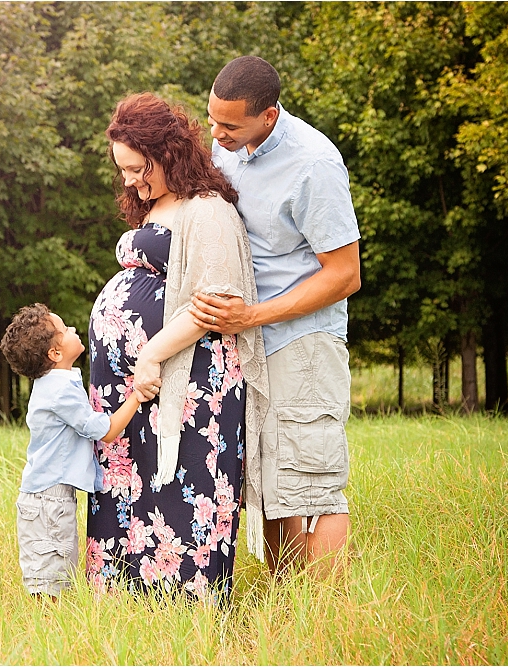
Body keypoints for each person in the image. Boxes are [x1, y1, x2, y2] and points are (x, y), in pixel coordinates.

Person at [85, 93, 269, 601]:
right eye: (121, 170)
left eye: (137, 168)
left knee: (182, 493)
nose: (128, 180)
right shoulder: (154, 206)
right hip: (136, 389)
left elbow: (216, 298)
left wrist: (149, 354)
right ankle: (127, 607)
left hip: (188, 384)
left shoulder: (207, 209)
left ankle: (188, 613)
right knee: (131, 492)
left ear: (167, 153)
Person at [191, 55, 361, 578]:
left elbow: (345, 273)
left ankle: (326, 615)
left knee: (314, 483)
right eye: (212, 119)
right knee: (268, 482)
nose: (216, 133)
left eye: (229, 125)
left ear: (267, 116)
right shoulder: (231, 151)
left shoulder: (314, 163)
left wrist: (253, 315)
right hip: (251, 340)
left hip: (303, 343)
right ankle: (288, 604)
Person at [0, 303, 145, 599]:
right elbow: (105, 430)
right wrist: (137, 396)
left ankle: (51, 632)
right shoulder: (59, 391)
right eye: (65, 330)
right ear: (55, 353)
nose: (74, 330)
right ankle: (47, 634)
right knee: (51, 581)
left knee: (57, 573)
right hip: (47, 503)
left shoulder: (57, 384)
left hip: (49, 499)